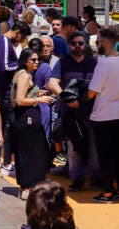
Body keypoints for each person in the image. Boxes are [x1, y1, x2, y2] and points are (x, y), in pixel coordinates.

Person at [50, 31, 99, 190]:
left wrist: (84, 100)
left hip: (91, 111)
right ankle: (76, 178)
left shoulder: (93, 63)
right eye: (74, 43)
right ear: (69, 45)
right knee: (73, 146)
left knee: (93, 145)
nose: (77, 46)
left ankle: (93, 177)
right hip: (70, 112)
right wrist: (66, 98)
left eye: (80, 43)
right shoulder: (63, 62)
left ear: (85, 45)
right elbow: (52, 83)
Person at [11, 48, 54, 199]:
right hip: (26, 119)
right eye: (33, 60)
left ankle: (31, 185)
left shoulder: (26, 74)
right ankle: (27, 187)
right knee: (30, 153)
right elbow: (20, 100)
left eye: (38, 60)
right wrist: (38, 99)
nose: (36, 62)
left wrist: (37, 93)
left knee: (35, 152)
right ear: (25, 61)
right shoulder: (23, 76)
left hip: (29, 118)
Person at [87, 27, 119, 203]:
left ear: (106, 43)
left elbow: (92, 91)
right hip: (117, 114)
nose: (97, 44)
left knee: (105, 155)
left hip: (103, 115)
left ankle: (108, 192)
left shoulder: (103, 63)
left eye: (98, 41)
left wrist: (81, 99)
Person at [0, 21, 30, 171]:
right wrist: (22, 64)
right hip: (7, 93)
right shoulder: (4, 42)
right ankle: (5, 160)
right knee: (7, 127)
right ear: (18, 32)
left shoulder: (3, 42)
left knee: (3, 126)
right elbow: (5, 66)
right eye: (22, 38)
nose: (21, 41)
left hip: (7, 93)